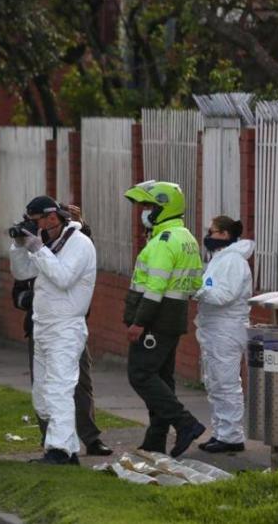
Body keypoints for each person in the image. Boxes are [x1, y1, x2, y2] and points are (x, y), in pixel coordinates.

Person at [12, 204, 112, 457]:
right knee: (43, 393)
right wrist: (20, 246)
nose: (35, 227)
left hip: (66, 325)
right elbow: (22, 272)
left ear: (52, 218)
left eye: (36, 222)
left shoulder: (78, 243)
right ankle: (55, 447)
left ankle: (62, 452)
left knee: (60, 388)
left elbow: (63, 277)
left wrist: (38, 248)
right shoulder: (49, 245)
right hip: (43, 325)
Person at [123, 180, 205, 458]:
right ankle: (155, 441)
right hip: (173, 318)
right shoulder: (187, 239)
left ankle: (186, 424)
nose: (143, 212)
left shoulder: (164, 241)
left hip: (154, 321)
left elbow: (154, 288)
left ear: (162, 208)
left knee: (141, 375)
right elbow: (194, 284)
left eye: (149, 207)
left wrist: (139, 322)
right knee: (161, 379)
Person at [194, 216, 254, 453]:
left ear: (226, 235)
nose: (209, 235)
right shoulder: (220, 259)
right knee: (216, 382)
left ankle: (231, 435)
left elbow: (223, 296)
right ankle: (221, 432)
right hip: (215, 329)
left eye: (214, 231)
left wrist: (197, 290)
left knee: (226, 383)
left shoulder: (233, 262)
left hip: (226, 329)